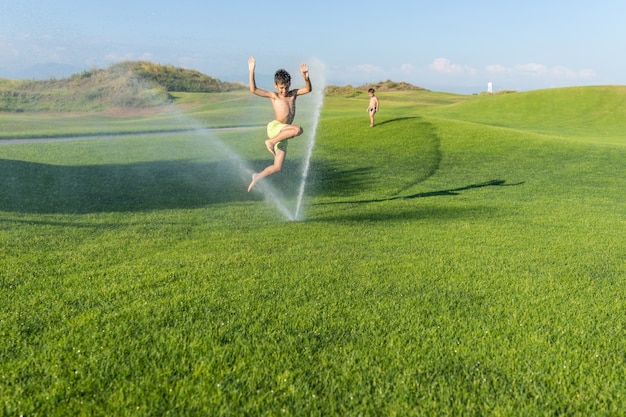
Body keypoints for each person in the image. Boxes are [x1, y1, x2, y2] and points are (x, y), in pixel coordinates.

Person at [247, 56, 312, 192]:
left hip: (283, 134)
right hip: (275, 128)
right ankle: (270, 142)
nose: (284, 91)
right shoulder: (274, 96)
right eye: (281, 88)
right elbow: (253, 89)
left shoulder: (293, 94)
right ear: (276, 85)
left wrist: (306, 78)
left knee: (277, 166)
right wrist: (251, 70)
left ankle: (257, 176)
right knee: (298, 129)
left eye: (286, 87)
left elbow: (308, 89)